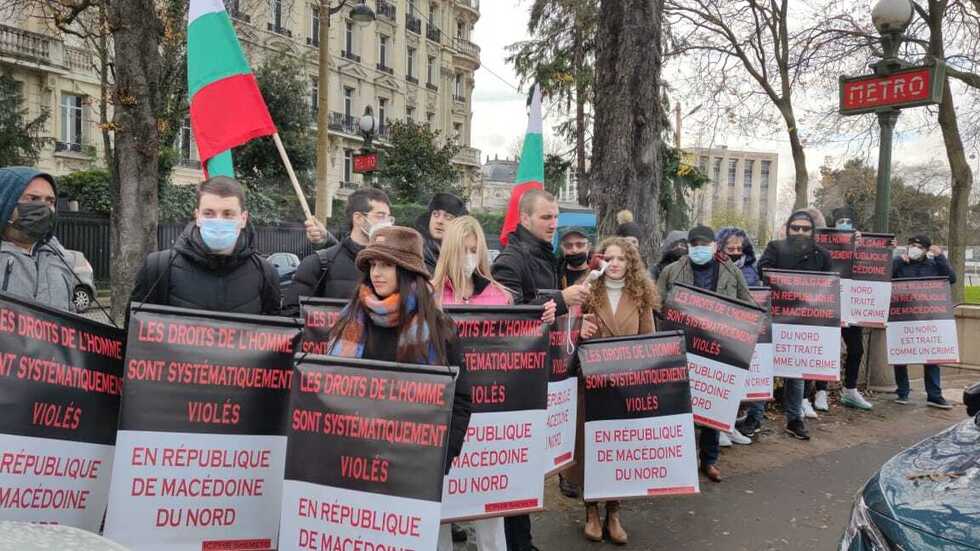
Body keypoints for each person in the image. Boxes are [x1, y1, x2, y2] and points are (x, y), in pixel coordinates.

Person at [492, 188, 587, 551]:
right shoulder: (511, 259)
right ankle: (519, 543)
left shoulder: (547, 256)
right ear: (525, 218)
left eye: (556, 216)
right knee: (519, 466)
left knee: (531, 465)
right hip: (520, 377)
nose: (554, 224)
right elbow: (509, 313)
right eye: (546, 217)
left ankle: (521, 541)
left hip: (545, 372)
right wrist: (563, 299)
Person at [431, 216, 511, 550]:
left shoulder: (500, 297)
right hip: (443, 410)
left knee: (490, 505)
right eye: (463, 250)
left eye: (475, 250)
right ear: (449, 251)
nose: (469, 257)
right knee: (438, 501)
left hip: (489, 414)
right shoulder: (428, 295)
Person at [576, 237, 660, 544]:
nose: (614, 263)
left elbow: (649, 343)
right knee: (591, 450)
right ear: (600, 261)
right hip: (592, 384)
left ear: (630, 263)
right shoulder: (587, 292)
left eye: (621, 258)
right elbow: (571, 338)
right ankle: (591, 511)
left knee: (618, 451)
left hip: (626, 389)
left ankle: (614, 512)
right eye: (608, 257)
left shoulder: (640, 296)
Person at [658, 224, 753, 481]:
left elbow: (748, 305)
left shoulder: (730, 272)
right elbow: (657, 304)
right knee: (683, 404)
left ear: (714, 247)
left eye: (705, 245)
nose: (700, 249)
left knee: (713, 406)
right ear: (689, 247)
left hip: (718, 349)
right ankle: (684, 459)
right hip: (683, 347)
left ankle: (709, 460)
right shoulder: (672, 271)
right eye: (695, 245)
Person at [130, 176, 280, 315]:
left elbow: (274, 338)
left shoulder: (265, 273)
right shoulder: (158, 268)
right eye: (209, 213)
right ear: (197, 217)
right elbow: (134, 335)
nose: (218, 220)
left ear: (243, 218)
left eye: (228, 214)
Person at [757, 210, 833, 440]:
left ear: (812, 231)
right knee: (763, 370)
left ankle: (794, 419)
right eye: (795, 228)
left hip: (802, 323)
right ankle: (755, 417)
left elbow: (827, 288)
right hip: (775, 318)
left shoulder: (822, 255)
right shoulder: (774, 248)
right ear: (788, 228)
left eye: (805, 228)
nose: (800, 232)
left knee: (796, 374)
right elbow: (763, 271)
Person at [284, 188, 392, 315]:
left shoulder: (396, 264)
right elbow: (294, 315)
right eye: (380, 216)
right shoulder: (319, 263)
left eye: (389, 218)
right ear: (358, 218)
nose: (386, 223)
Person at [891, 234, 956, 409]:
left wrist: (940, 256)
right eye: (911, 245)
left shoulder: (934, 265)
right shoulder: (900, 263)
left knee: (931, 357)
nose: (914, 249)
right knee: (901, 355)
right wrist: (898, 261)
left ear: (926, 250)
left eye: (919, 247)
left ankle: (934, 395)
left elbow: (951, 278)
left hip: (929, 318)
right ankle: (902, 391)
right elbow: (884, 278)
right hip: (903, 316)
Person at [0, 167, 75, 311]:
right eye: (33, 199)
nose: (44, 207)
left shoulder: (61, 259)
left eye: (50, 200)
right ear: (5, 202)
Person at [717, 227, 766, 439]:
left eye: (739, 248)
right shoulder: (715, 268)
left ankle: (732, 426)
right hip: (722, 331)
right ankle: (721, 428)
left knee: (740, 383)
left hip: (745, 332)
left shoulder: (752, 269)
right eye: (731, 248)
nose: (736, 251)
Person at [829, 207, 874, 412]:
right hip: (828, 304)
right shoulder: (825, 243)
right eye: (840, 221)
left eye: (848, 221)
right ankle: (819, 392)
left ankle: (850, 390)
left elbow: (876, 266)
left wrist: (864, 246)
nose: (844, 224)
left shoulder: (860, 244)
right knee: (825, 349)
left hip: (851, 306)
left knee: (857, 349)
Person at [416, 192, 468, 272]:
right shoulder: (415, 252)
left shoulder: (465, 257)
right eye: (435, 214)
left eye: (448, 217)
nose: (439, 221)